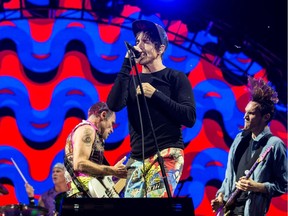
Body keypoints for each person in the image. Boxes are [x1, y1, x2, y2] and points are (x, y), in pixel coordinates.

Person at [107, 19, 196, 198]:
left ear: (161, 48)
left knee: (153, 208)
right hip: (138, 158)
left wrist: (156, 94)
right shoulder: (132, 82)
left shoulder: (175, 77)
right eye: (137, 41)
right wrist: (127, 64)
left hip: (166, 152)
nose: (139, 46)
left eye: (146, 41)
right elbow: (113, 104)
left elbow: (189, 117)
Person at [211, 76, 287, 216]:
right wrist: (220, 196)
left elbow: (284, 185)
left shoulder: (275, 145)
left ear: (265, 117)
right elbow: (229, 177)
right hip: (228, 211)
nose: (244, 116)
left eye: (251, 113)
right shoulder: (239, 139)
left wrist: (258, 187)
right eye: (245, 112)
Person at [64, 101, 127, 198]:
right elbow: (79, 164)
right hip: (82, 194)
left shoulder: (90, 132)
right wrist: (113, 170)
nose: (112, 130)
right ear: (103, 115)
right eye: (112, 123)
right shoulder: (87, 130)